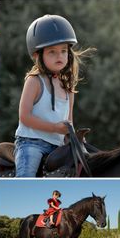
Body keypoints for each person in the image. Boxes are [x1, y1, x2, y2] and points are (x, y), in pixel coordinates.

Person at [13, 14, 94, 177]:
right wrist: (55, 128)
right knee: (26, 176)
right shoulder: (34, 81)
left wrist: (72, 136)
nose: (59, 56)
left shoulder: (68, 87)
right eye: (52, 52)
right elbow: (24, 116)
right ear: (37, 55)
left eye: (63, 51)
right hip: (31, 143)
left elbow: (68, 121)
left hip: (57, 147)